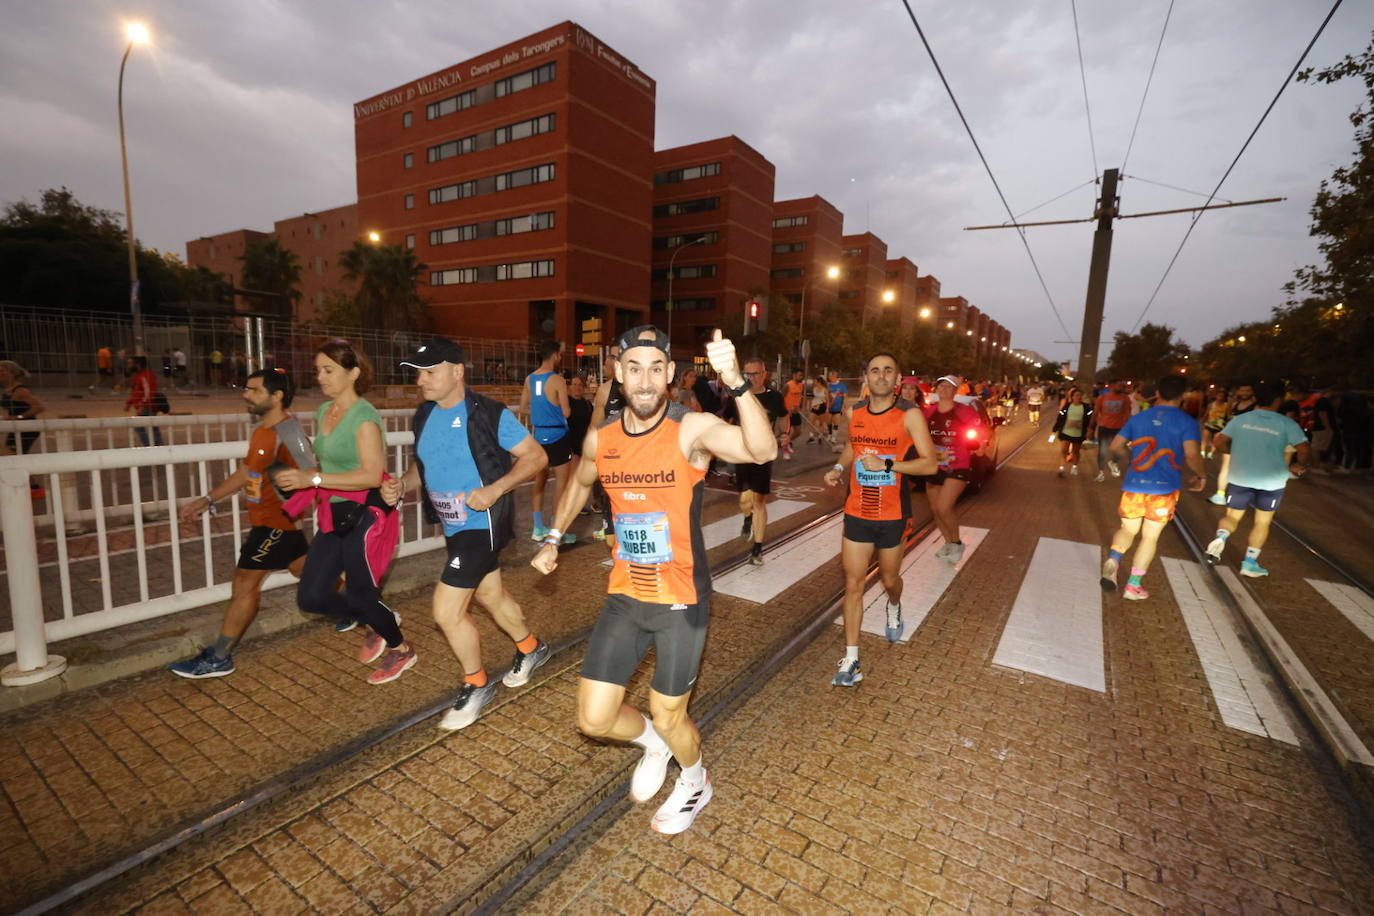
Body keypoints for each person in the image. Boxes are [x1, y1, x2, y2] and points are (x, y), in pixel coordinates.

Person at [531, 325, 776, 834]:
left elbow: (760, 450)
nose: (645, 381)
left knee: (670, 714)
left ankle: (694, 777)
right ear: (618, 374)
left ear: (669, 376)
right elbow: (580, 483)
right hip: (625, 594)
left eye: (655, 369)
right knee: (594, 720)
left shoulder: (691, 429)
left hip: (680, 600)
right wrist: (554, 537)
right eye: (634, 368)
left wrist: (736, 382)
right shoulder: (604, 438)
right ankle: (652, 745)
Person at [382, 338, 552, 728]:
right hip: (454, 526)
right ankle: (531, 648)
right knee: (491, 595)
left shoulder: (487, 414)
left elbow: (536, 457)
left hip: (485, 523)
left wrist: (495, 489)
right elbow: (424, 466)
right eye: (418, 374)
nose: (421, 381)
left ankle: (476, 683)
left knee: (446, 611)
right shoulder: (423, 415)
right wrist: (402, 485)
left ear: (457, 372)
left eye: (429, 372)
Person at [274, 339, 415, 684]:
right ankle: (377, 618)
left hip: (364, 515)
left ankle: (400, 648)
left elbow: (369, 475)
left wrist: (314, 477)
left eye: (329, 370)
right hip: (332, 515)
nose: (321, 377)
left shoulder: (364, 417)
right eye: (318, 370)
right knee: (312, 596)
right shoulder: (324, 412)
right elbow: (326, 463)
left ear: (352, 374)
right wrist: (304, 477)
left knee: (360, 595)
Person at [170, 368, 311, 677]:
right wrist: (208, 499)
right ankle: (367, 608)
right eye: (246, 389)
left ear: (277, 396)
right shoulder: (263, 431)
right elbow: (248, 471)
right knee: (307, 572)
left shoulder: (290, 432)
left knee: (244, 585)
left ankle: (219, 657)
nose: (246, 395)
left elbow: (314, 473)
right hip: (269, 522)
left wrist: (293, 502)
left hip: (277, 525)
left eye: (254, 390)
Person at [824, 353, 938, 684]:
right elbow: (853, 447)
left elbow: (930, 464)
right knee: (853, 584)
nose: (881, 375)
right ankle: (852, 660)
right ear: (866, 377)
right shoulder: (855, 411)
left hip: (892, 513)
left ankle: (894, 603)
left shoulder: (910, 414)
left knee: (889, 580)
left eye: (888, 370)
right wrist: (837, 467)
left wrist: (888, 466)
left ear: (897, 378)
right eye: (875, 370)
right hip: (858, 509)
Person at [1100, 375, 1206, 599]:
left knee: (1127, 529)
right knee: (1150, 537)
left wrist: (1129, 457)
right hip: (1164, 489)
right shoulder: (1187, 422)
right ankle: (1133, 586)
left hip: (1134, 484)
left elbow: (1116, 446)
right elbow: (1192, 454)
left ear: (1157, 393)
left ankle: (1113, 560)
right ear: (1182, 395)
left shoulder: (1139, 419)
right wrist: (1201, 475)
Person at [1204, 379, 1311, 578]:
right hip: (1271, 481)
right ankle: (1250, 562)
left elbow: (1219, 441)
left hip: (1241, 476)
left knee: (1232, 516)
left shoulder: (1241, 420)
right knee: (1262, 522)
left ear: (1255, 398)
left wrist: (1232, 452)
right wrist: (1300, 465)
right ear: (1279, 399)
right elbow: (1304, 448)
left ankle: (1222, 536)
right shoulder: (1287, 423)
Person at [921, 375, 984, 565]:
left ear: (955, 391)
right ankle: (948, 542)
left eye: (949, 387)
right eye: (941, 386)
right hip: (934, 465)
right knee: (935, 509)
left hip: (958, 465)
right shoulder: (928, 412)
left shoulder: (964, 411)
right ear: (936, 389)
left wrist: (978, 443)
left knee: (944, 506)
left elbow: (978, 431)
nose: (944, 389)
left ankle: (957, 542)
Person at [731, 357, 787, 565]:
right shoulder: (736, 396)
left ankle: (757, 549)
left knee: (759, 501)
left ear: (764, 374)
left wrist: (785, 433)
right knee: (745, 501)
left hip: (763, 455)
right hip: (741, 453)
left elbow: (783, 416)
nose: (751, 378)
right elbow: (728, 421)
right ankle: (747, 518)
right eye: (747, 374)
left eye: (756, 373)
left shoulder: (774, 397)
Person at [521, 340, 575, 543]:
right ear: (554, 356)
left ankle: (537, 528)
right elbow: (567, 411)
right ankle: (556, 531)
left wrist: (540, 413)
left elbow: (523, 407)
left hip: (538, 437)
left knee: (539, 482)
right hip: (558, 436)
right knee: (561, 484)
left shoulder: (529, 379)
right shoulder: (557, 380)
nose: (560, 358)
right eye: (559, 355)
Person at [1209, 383, 1258, 505]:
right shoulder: (1234, 404)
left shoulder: (1256, 406)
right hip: (1232, 438)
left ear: (1252, 392)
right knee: (1226, 466)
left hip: (1248, 440)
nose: (1245, 393)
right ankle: (1220, 494)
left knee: (1244, 467)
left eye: (1247, 390)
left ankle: (1241, 494)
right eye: (1242, 390)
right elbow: (1228, 419)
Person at [1090, 379, 1132, 482]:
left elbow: (1127, 413)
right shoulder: (1102, 398)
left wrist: (1130, 427)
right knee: (1103, 451)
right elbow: (1095, 413)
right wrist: (1091, 428)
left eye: (1122, 386)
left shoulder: (1125, 398)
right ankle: (1101, 472)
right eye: (1119, 385)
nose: (1121, 387)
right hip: (1104, 427)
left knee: (1119, 448)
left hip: (1119, 428)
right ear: (1112, 386)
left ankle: (1113, 462)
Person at [124, 355, 165, 446]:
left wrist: (142, 405)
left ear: (137, 364)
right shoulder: (138, 376)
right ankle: (157, 446)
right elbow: (137, 392)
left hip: (148, 406)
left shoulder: (144, 376)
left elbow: (148, 392)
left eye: (130, 363)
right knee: (152, 427)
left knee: (141, 427)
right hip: (145, 405)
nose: (128, 366)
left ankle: (150, 446)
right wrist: (129, 403)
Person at [1051, 387, 1092, 477]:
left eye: (1080, 395)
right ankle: (1061, 468)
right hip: (1066, 432)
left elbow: (1090, 419)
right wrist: (1055, 429)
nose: (1079, 397)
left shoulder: (1086, 407)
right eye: (1077, 395)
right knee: (1064, 450)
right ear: (1072, 397)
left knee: (1075, 451)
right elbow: (1060, 418)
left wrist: (1090, 429)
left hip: (1078, 434)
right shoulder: (1067, 406)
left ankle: (1074, 466)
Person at [782, 368, 806, 459]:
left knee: (798, 431)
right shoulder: (787, 385)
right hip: (787, 413)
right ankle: (785, 452)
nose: (801, 377)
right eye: (799, 375)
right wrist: (785, 410)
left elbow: (800, 397)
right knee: (786, 434)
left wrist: (799, 406)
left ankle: (788, 443)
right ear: (794, 375)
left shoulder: (801, 385)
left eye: (802, 375)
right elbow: (780, 398)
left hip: (796, 412)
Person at [1201, 388, 1230, 459]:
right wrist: (1203, 419)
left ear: (1224, 397)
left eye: (1222, 396)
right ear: (1216, 396)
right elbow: (1206, 413)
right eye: (1219, 395)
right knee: (1204, 438)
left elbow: (1228, 416)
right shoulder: (1211, 405)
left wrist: (1227, 425)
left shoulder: (1226, 406)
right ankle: (1202, 452)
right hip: (1209, 425)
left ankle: (1210, 453)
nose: (1220, 397)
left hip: (1219, 427)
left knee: (1215, 441)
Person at [826, 370, 847, 442]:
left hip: (838, 407)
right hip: (830, 407)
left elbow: (845, 396)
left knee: (836, 422)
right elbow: (827, 396)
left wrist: (843, 406)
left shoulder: (841, 385)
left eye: (830, 375)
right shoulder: (828, 385)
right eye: (829, 376)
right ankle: (829, 435)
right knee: (828, 422)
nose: (829, 377)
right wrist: (827, 405)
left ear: (834, 376)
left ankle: (834, 437)